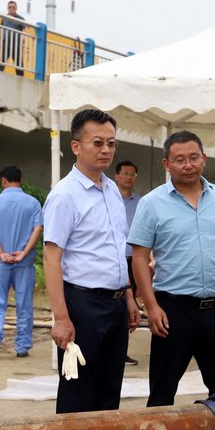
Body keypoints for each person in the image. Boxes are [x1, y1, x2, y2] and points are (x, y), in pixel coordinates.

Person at [128, 131, 215, 406]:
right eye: (180, 160)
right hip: (173, 311)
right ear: (167, 164)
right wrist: (151, 307)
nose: (188, 165)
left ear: (204, 158)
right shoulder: (151, 203)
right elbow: (139, 257)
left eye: (193, 158)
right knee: (162, 391)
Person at [43, 109, 141, 414]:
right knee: (78, 389)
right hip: (83, 304)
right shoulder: (64, 195)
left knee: (109, 388)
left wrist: (128, 296)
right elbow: (51, 258)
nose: (106, 150)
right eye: (97, 142)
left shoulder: (112, 190)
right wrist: (61, 318)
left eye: (111, 143)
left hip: (115, 304)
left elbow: (117, 249)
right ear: (76, 146)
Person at [0, 165, 43, 358]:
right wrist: (23, 253)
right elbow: (38, 228)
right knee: (24, 304)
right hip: (24, 262)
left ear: (3, 180)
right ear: (21, 180)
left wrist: (1, 253)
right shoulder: (32, 203)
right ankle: (22, 346)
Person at [115, 159, 141, 366]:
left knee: (129, 307)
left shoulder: (141, 202)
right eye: (125, 173)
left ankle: (121, 351)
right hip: (114, 259)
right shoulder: (108, 198)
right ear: (117, 176)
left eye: (133, 174)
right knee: (116, 305)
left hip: (133, 260)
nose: (129, 178)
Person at [0, 0, 26, 76]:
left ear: (16, 8)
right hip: (5, 44)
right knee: (1, 63)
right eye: (10, 7)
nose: (11, 9)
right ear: (7, 8)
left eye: (13, 7)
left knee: (19, 64)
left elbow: (25, 29)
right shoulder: (4, 18)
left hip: (16, 46)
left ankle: (21, 79)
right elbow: (0, 29)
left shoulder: (20, 18)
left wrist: (24, 37)